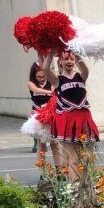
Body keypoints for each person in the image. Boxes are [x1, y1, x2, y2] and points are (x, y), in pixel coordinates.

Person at [42, 50, 99, 178]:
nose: (69, 61)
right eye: (66, 59)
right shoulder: (57, 80)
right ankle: (75, 188)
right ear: (60, 62)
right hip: (69, 121)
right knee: (73, 157)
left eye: (71, 59)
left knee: (88, 156)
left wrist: (77, 53)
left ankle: (91, 184)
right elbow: (45, 68)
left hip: (84, 118)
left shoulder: (81, 76)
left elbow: (85, 69)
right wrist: (51, 51)